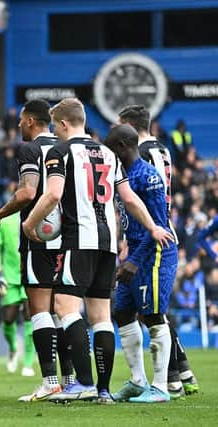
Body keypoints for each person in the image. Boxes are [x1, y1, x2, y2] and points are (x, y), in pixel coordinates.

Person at [22, 98, 173, 403]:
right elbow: (129, 198)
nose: (54, 130)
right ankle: (103, 390)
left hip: (77, 240)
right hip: (107, 242)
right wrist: (153, 226)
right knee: (101, 315)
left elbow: (52, 194)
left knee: (65, 307)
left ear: (63, 124)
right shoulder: (107, 152)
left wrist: (30, 223)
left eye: (55, 125)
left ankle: (84, 382)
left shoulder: (59, 151)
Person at [0, 99, 72, 401]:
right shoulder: (67, 147)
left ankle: (49, 380)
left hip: (39, 237)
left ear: (31, 120)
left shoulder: (31, 149)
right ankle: (72, 379)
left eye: (21, 120)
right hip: (71, 238)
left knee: (40, 310)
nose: (19, 125)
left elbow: (27, 193)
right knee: (65, 311)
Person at [119, 105, 200, 397]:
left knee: (153, 311)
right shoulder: (162, 149)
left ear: (128, 126)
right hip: (150, 233)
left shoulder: (143, 156)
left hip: (153, 236)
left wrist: (142, 235)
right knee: (140, 309)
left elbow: (151, 201)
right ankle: (179, 373)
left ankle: (169, 380)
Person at [104, 124, 176, 403]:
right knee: (122, 312)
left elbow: (159, 227)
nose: (110, 155)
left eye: (112, 150)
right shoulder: (124, 175)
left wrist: (133, 260)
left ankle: (160, 386)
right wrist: (125, 248)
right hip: (134, 251)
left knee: (154, 316)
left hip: (156, 253)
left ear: (122, 147)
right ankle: (137, 380)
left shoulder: (148, 176)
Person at [0, 211, 35, 377]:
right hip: (10, 277)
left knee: (30, 317)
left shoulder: (37, 215)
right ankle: (12, 348)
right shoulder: (6, 220)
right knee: (8, 318)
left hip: (31, 275)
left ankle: (29, 362)